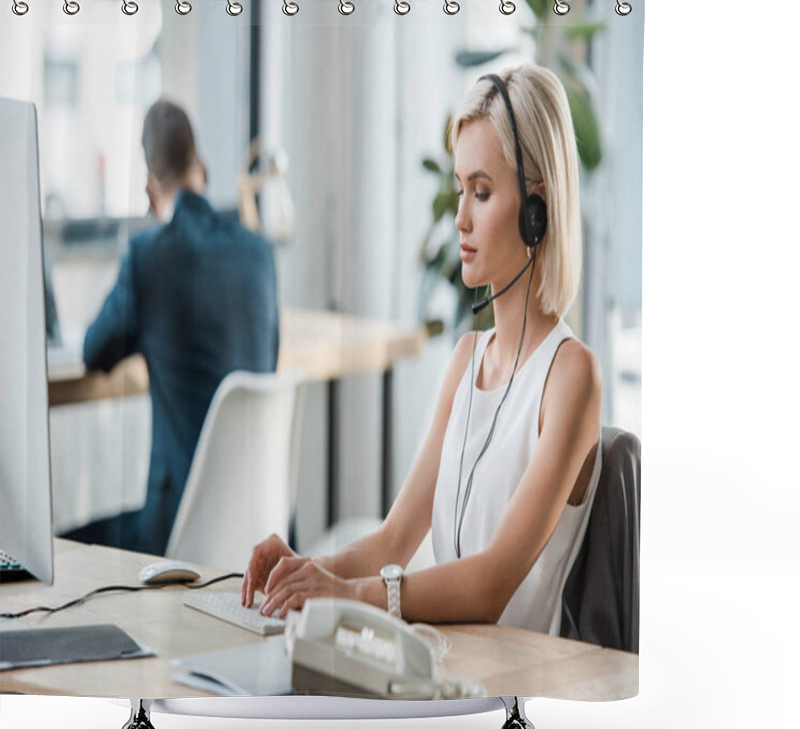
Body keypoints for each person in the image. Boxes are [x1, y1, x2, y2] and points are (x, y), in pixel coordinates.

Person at [242, 63, 601, 634]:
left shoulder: (570, 375)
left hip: (507, 690)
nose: (459, 218)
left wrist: (346, 593)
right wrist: (304, 572)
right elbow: (394, 539)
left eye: (481, 193)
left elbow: (490, 585)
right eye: (461, 190)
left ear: (537, 211)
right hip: (434, 666)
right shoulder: (466, 359)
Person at [65, 99, 280, 555]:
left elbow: (93, 352)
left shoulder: (147, 258)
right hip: (260, 530)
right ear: (201, 167)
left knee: (62, 541)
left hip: (176, 535)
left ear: (148, 191)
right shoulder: (260, 253)